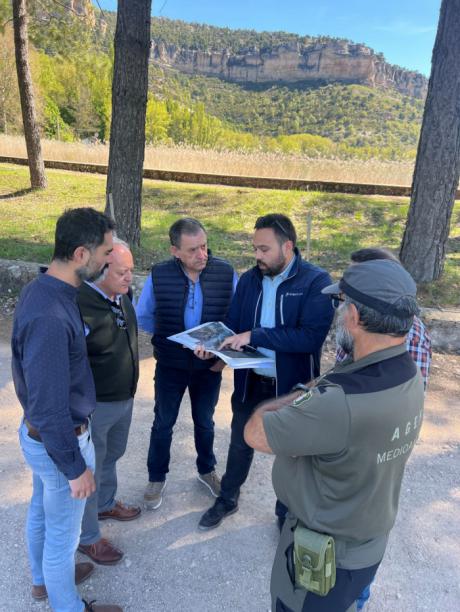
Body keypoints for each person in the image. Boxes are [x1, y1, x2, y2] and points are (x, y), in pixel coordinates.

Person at [244, 259, 424, 612]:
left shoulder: (337, 402)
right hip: (367, 546)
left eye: (339, 305)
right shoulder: (408, 373)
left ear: (354, 315)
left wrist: (302, 394)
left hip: (322, 557)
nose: (338, 315)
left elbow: (255, 432)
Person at [12, 208, 122, 612]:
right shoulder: (50, 316)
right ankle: (67, 604)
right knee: (63, 536)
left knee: (43, 511)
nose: (108, 260)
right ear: (81, 253)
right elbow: (48, 406)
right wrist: (75, 468)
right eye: (105, 253)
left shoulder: (46, 289)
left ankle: (45, 581)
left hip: (44, 442)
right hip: (59, 442)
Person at [198, 213, 334, 531]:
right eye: (255, 248)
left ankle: (285, 512)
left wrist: (256, 335)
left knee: (291, 453)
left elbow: (310, 337)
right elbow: (234, 324)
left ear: (288, 246)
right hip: (251, 381)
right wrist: (212, 346)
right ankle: (227, 498)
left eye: (264, 249)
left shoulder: (317, 282)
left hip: (293, 386)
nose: (257, 256)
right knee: (240, 442)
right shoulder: (249, 280)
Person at [334, 247, 432, 611]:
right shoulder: (359, 324)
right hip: (345, 438)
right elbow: (341, 370)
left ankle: (357, 597)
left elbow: (406, 402)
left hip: (371, 448)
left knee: (365, 526)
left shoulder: (413, 336)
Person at [136, 218, 237, 509]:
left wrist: (218, 355)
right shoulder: (159, 275)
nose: (202, 255)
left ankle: (207, 470)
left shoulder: (226, 272)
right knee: (163, 423)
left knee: (205, 422)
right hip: (170, 365)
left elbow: (236, 317)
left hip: (209, 368)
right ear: (175, 251)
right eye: (193, 250)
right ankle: (156, 478)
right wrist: (172, 343)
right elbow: (145, 316)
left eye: (204, 246)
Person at [77, 239, 141, 567]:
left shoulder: (121, 296)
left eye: (131, 270)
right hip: (97, 406)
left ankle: (105, 503)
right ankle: (87, 538)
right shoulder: (81, 302)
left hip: (124, 400)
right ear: (101, 268)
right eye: (121, 271)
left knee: (111, 457)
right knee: (90, 469)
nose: (129, 278)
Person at [336, 247, 431, 391]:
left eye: (357, 279)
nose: (342, 302)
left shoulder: (411, 336)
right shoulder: (354, 317)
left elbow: (405, 398)